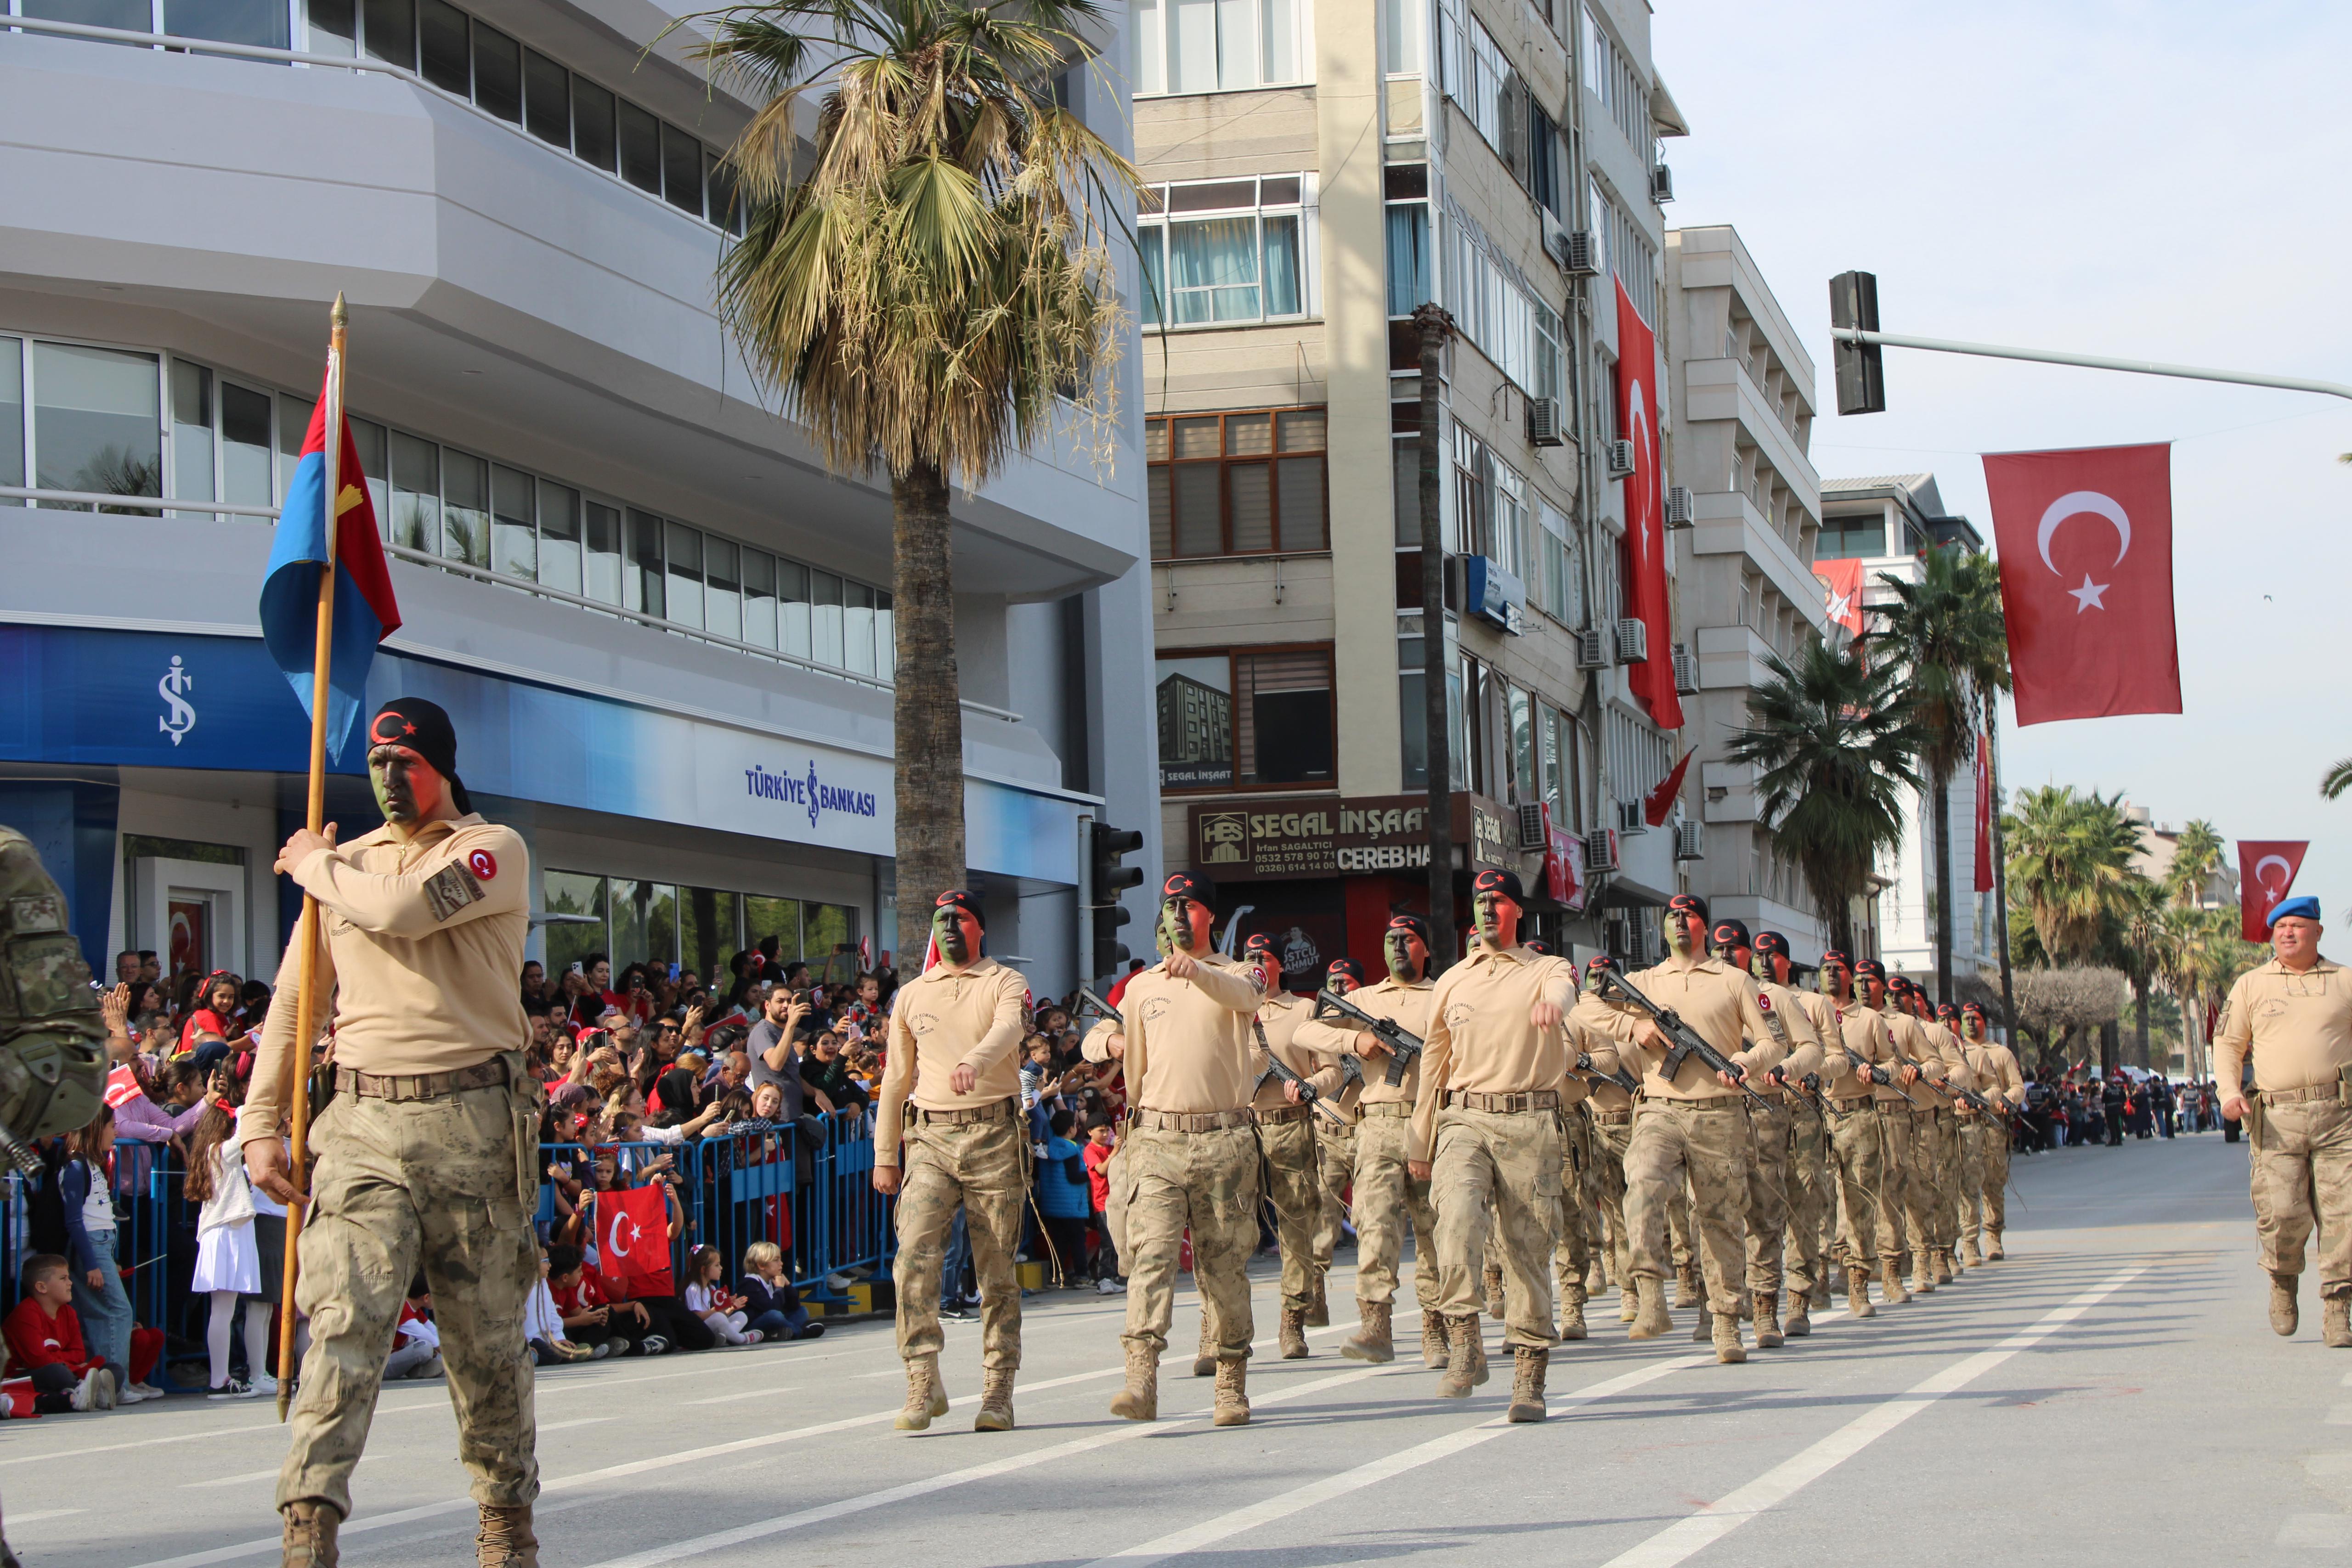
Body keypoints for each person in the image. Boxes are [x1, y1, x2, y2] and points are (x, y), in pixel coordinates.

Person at [240, 697, 541, 1568]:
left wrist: (313, 866)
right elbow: (297, 1003)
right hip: (363, 1117)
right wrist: (261, 1119)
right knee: (342, 1316)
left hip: (472, 1119)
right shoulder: (344, 865)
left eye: (404, 763)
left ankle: (504, 1514)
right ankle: (310, 1514)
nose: (387, 779)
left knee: (483, 1342)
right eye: (375, 765)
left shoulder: (490, 851)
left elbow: (409, 908)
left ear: (441, 768)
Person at [1090, 874, 1266, 1427]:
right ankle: (1140, 1378)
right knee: (1151, 1258)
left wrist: (1201, 972)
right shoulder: (1142, 987)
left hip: (1222, 1139)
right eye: (1169, 908)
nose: (1178, 917)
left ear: (1209, 915)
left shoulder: (1240, 973)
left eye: (1188, 907)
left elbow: (1247, 996)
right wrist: (1112, 1041)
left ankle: (1231, 1381)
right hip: (1155, 1140)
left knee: (1223, 1266)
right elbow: (1100, 1036)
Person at [1408, 869, 1581, 1419]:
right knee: (1453, 1224)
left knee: (1526, 1250)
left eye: (1498, 901)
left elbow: (1564, 988)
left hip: (1529, 1121)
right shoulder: (1452, 980)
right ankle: (1465, 1341)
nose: (1486, 910)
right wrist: (1420, 1138)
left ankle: (1529, 1375)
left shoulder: (1544, 969)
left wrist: (1555, 1006)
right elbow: (1433, 1062)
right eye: (1480, 902)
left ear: (1517, 912)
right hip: (1464, 1119)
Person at [1590, 895, 1777, 1365]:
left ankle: (1725, 1320)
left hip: (1719, 1113)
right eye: (1671, 916)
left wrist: (1745, 1060)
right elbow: (1582, 1010)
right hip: (1659, 1107)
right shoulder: (1646, 982)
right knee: (1643, 1181)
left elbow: (1774, 1045)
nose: (1677, 921)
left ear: (1702, 925)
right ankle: (1649, 1288)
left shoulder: (1734, 980)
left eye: (1687, 915)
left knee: (1719, 1219)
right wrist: (1634, 1029)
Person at [872, 890, 1029, 1432]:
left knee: (996, 1271)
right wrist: (884, 1154)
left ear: (979, 928)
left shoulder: (1004, 982)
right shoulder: (912, 995)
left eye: (958, 919)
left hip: (993, 1134)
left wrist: (976, 1059)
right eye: (939, 920)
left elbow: (1010, 1028)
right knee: (912, 1256)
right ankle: (922, 1379)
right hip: (930, 1140)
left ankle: (998, 1389)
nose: (948, 928)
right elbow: (895, 1079)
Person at [1298, 917, 1441, 1367]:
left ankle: (1435, 1328)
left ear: (1426, 949)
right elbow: (1306, 1030)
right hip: (1377, 1123)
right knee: (1375, 1224)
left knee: (1435, 1231)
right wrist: (1355, 1039)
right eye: (1390, 939)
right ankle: (1375, 1326)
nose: (1398, 946)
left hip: (1431, 1118)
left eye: (1408, 939)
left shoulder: (1443, 996)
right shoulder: (1361, 1000)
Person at [2215, 896, 2352, 1344]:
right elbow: (2228, 1045)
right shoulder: (2251, 985)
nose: (2287, 933)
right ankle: (2281, 1280)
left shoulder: (2343, 981)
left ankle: (2336, 1307)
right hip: (2275, 1118)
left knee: (2344, 1216)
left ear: (2317, 932)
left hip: (2339, 1115)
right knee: (2282, 1214)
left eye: (2297, 926)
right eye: (2280, 927)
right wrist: (2229, 1092)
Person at [1238, 932, 1343, 1362]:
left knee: (1296, 1227)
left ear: (1280, 964)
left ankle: (1293, 1320)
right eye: (1248, 956)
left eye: (1263, 956)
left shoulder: (1304, 1011)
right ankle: (1222, 1327)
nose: (1254, 961)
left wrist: (1309, 1086)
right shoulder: (1230, 1007)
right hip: (1239, 1127)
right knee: (1226, 1229)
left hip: (1289, 1124)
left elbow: (1334, 1070)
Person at [1717, 921, 1821, 1348]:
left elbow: (1811, 1047)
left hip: (1764, 1113)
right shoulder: (1704, 993)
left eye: (1735, 948)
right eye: (1720, 947)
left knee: (1764, 1212)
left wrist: (1785, 1070)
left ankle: (1765, 1307)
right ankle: (1722, 1308)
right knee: (1715, 1213)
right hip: (1713, 1113)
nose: (1727, 955)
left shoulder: (1774, 998)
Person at [185, 1095, 274, 1399]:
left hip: (227, 1231)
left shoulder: (214, 1152)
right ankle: (219, 1379)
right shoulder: (220, 1150)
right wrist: (242, 1111)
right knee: (222, 1311)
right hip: (226, 1233)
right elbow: (245, 1134)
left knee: (224, 1310)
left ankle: (220, 1378)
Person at [1307, 958, 1365, 1331]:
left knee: (1371, 1223)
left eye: (1346, 983)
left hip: (1366, 1134)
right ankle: (1314, 1300)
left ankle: (1373, 1310)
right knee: (1320, 1223)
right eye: (1333, 984)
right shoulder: (1314, 1030)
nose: (1339, 990)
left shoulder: (1373, 1027)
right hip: (1326, 1134)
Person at [2, 1254, 116, 1411]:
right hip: (23, 1377)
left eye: (69, 1278)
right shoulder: (26, 1314)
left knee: (112, 1369)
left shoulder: (69, 1312)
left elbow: (79, 1354)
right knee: (56, 1372)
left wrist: (67, 1363)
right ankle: (88, 1393)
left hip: (65, 1370)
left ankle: (87, 1392)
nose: (70, 1283)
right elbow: (39, 1361)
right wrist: (71, 1365)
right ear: (42, 1287)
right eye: (63, 1278)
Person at [1956, 1002, 2023, 1264]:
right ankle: (1969, 1240)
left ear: (1985, 1022)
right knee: (1968, 1183)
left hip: (1993, 1123)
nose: (1971, 1023)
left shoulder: (2001, 1053)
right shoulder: (1956, 1050)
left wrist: (2008, 1100)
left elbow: (2018, 1087)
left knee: (1994, 1182)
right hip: (1967, 1123)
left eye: (1976, 1019)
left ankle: (1994, 1235)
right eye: (1967, 1018)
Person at [1035, 1108, 1095, 1290]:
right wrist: (1090, 1174)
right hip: (1071, 1206)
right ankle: (1082, 1276)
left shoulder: (1046, 1149)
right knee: (1078, 1241)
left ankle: (1056, 1276)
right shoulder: (1071, 1149)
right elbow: (1074, 1177)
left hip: (1051, 1205)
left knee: (1058, 1243)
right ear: (1071, 1129)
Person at [738, 1241, 822, 1342]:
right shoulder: (750, 1284)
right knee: (775, 1315)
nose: (781, 1264)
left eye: (780, 1259)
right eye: (776, 1260)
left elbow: (794, 1306)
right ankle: (802, 1333)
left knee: (802, 1312)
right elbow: (773, 1309)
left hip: (770, 1323)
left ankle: (774, 1334)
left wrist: (788, 1286)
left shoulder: (771, 1280)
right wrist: (779, 1288)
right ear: (761, 1266)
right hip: (751, 1327)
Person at [682, 1247, 757, 1345]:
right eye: (717, 1265)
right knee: (718, 1317)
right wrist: (717, 1309)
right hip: (698, 1331)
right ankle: (742, 1339)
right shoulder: (693, 1289)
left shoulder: (711, 1288)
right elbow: (698, 1317)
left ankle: (724, 1339)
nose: (721, 1268)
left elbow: (721, 1317)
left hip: (711, 1328)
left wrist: (731, 1308)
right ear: (703, 1269)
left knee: (741, 1316)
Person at [1081, 1117, 1123, 1293]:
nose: (1105, 1134)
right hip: (1102, 1202)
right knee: (1107, 1241)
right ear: (1090, 1132)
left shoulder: (1110, 1148)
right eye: (1101, 1131)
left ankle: (1113, 1276)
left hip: (1117, 1198)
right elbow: (1101, 1170)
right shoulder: (1091, 1150)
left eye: (1107, 1130)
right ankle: (1104, 1278)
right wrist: (1114, 1153)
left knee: (1116, 1241)